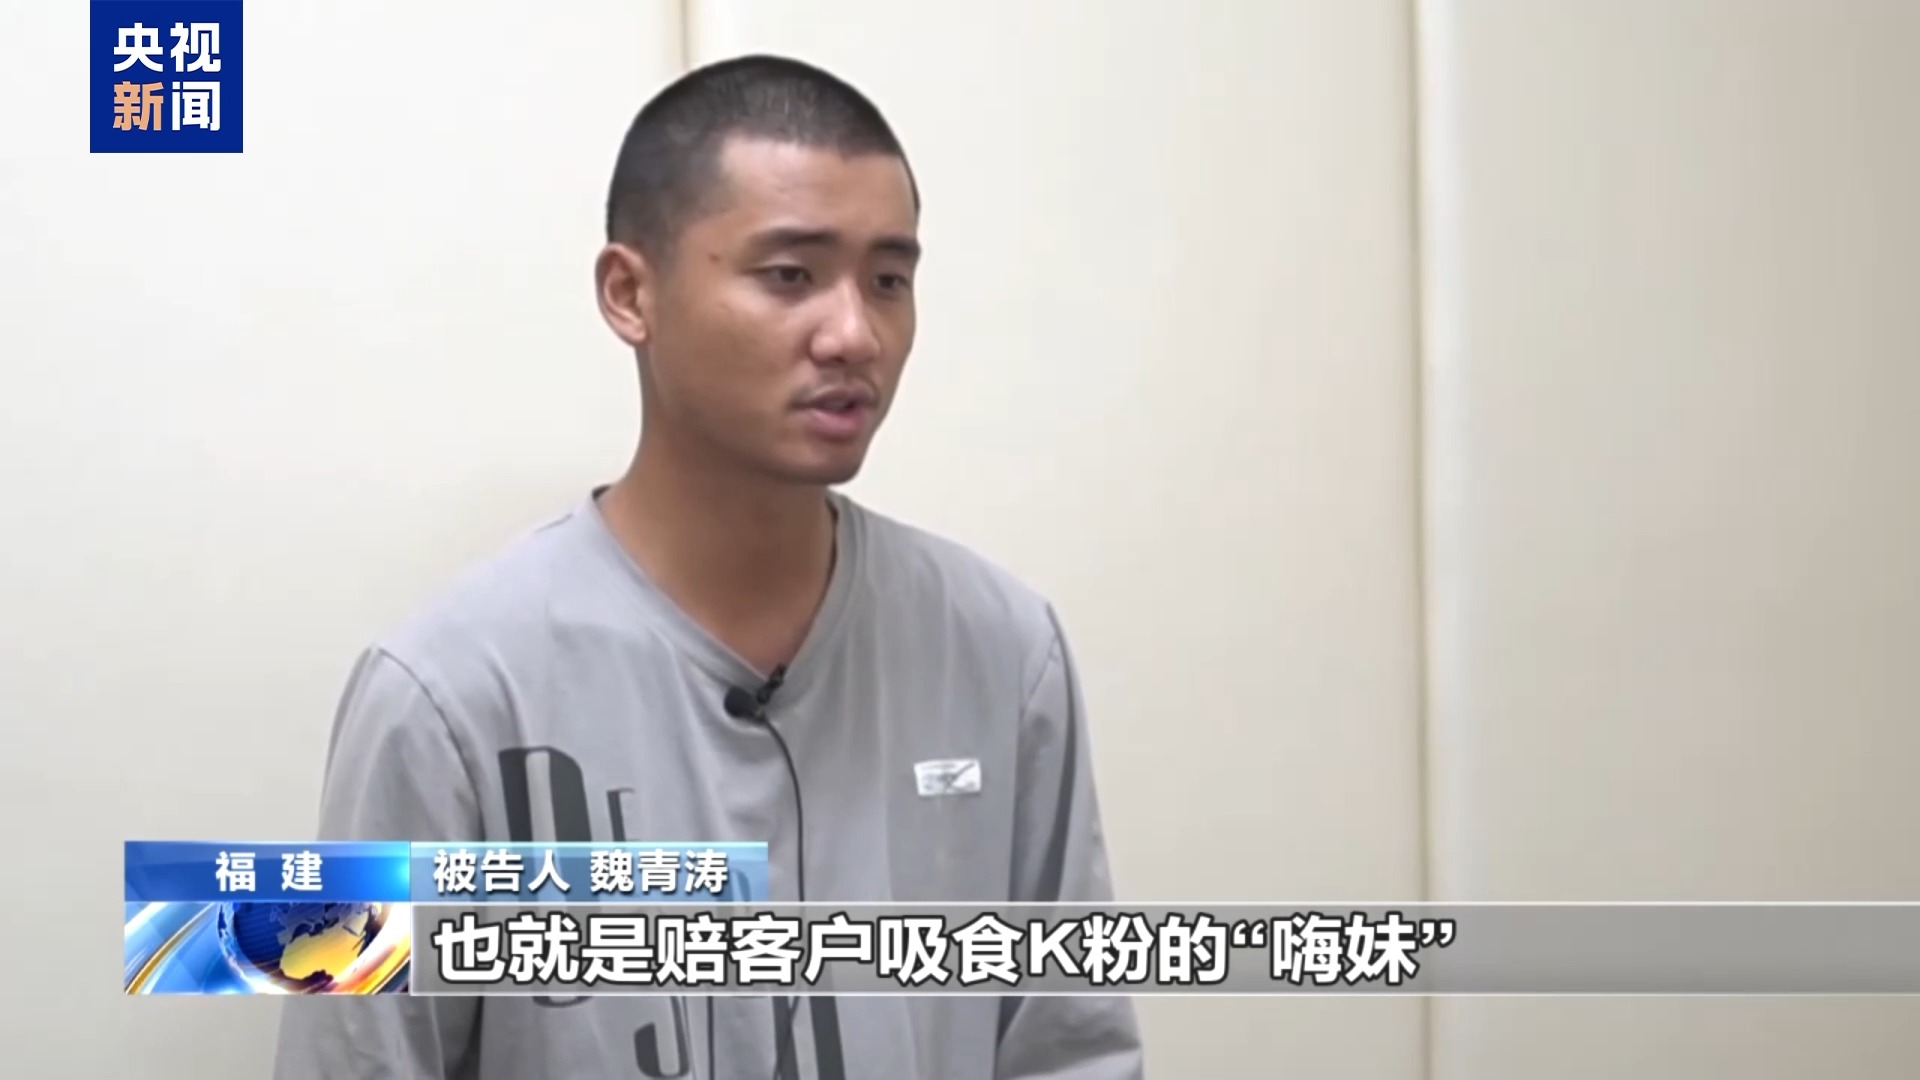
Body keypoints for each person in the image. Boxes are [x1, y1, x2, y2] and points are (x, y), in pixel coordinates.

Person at [273, 53, 1144, 1080]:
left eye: (889, 280)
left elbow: (1070, 1048)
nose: (854, 334)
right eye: (790, 276)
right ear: (630, 294)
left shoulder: (1001, 649)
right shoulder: (441, 696)